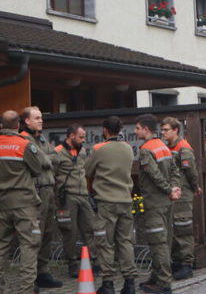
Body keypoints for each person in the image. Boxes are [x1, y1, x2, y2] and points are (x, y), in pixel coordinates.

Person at [0, 110, 43, 294]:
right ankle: (26, 289)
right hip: (24, 203)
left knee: (0, 247)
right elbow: (37, 169)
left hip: (2, 203)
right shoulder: (24, 145)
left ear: (1, 125)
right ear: (18, 125)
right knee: (28, 245)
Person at [85, 116, 139, 294]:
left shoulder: (99, 149)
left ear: (105, 130)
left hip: (106, 202)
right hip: (125, 200)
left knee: (105, 243)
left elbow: (87, 171)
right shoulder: (128, 149)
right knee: (125, 242)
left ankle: (108, 283)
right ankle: (129, 283)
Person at [134, 113, 181, 294]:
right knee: (165, 240)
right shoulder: (163, 146)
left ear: (146, 129)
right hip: (167, 202)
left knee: (157, 242)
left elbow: (154, 175)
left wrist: (169, 189)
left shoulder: (146, 149)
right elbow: (175, 171)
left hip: (155, 201)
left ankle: (163, 283)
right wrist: (174, 188)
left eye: (137, 128)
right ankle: (155, 277)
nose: (135, 131)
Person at [20, 106, 63, 289]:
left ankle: (43, 271)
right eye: (36, 118)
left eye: (41, 117)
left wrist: (47, 159)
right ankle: (31, 276)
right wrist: (47, 159)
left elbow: (56, 158)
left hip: (49, 190)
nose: (41, 120)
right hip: (36, 190)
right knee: (35, 234)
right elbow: (40, 162)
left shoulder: (42, 138)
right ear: (27, 121)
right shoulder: (23, 139)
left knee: (47, 232)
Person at [52, 124, 94, 278]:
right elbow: (52, 175)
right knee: (70, 231)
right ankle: (72, 265)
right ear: (71, 136)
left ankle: (93, 262)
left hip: (83, 195)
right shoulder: (57, 152)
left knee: (90, 228)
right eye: (81, 137)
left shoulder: (82, 151)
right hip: (67, 196)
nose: (83, 140)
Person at [161, 117, 201, 280]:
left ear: (175, 130)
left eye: (166, 130)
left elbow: (191, 171)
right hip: (173, 193)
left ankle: (186, 264)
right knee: (174, 229)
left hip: (183, 194)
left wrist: (195, 186)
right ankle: (177, 261)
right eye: (162, 130)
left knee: (183, 228)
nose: (163, 133)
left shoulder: (183, 147)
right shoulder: (168, 147)